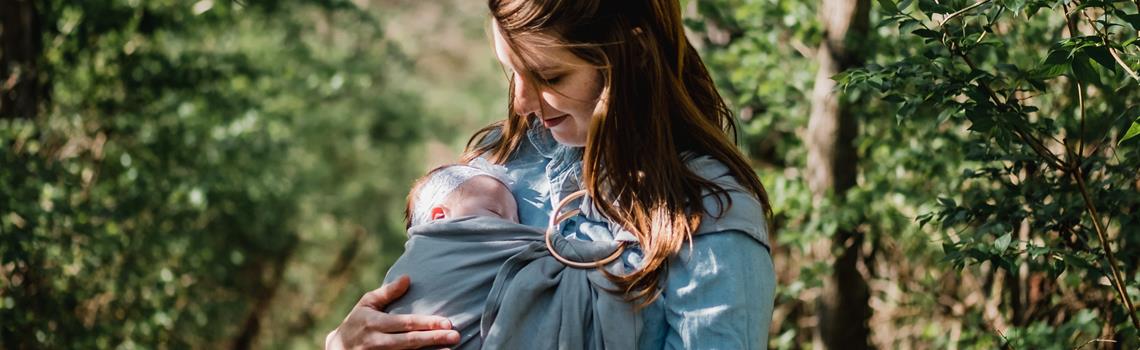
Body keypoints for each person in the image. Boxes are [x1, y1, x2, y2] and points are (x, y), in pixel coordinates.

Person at [326, 0, 776, 348]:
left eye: (550, 77)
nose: (522, 102)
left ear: (633, 56)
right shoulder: (499, 165)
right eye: (511, 71)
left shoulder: (708, 219)